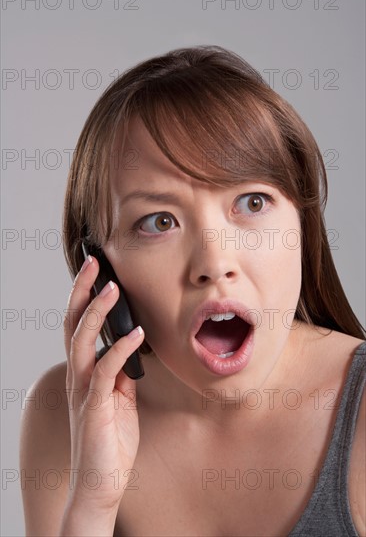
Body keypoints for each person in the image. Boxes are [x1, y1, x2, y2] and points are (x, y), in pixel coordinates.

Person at [20, 45, 365, 536]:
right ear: (100, 271)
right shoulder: (63, 413)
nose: (214, 264)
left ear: (303, 226)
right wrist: (93, 503)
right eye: (159, 222)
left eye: (252, 201)